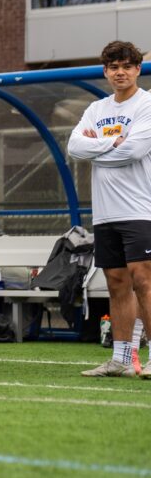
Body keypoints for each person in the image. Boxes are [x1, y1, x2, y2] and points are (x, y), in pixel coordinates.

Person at [67, 40, 151, 378]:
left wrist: (96, 147)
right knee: (116, 283)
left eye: (127, 66)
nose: (120, 72)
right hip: (104, 212)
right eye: (113, 67)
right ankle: (121, 359)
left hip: (140, 209)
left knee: (144, 281)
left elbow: (133, 151)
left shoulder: (146, 104)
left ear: (137, 69)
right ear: (105, 71)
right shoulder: (96, 109)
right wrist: (112, 141)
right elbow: (75, 147)